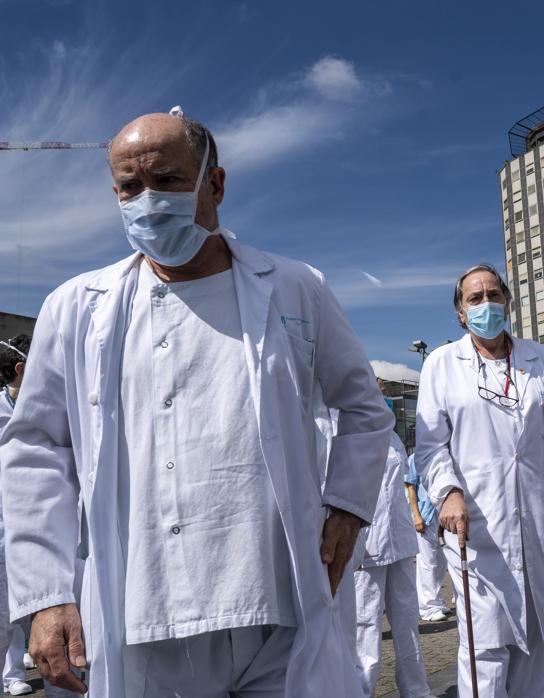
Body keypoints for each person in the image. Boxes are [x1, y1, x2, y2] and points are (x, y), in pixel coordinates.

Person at [0, 110, 394, 697]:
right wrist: (46, 595)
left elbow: (364, 409)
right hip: (146, 620)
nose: (147, 200)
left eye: (167, 180)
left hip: (278, 612)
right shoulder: (76, 307)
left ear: (216, 184)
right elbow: (37, 448)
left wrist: (347, 507)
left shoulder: (294, 287)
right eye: (130, 187)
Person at [414, 263, 544, 698]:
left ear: (507, 301)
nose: (486, 304)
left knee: (535, 640)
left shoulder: (538, 358)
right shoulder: (442, 364)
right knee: (485, 646)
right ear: (460, 313)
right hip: (476, 526)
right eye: (475, 298)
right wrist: (448, 492)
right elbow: (431, 445)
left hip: (536, 520)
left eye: (493, 294)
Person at [354, 383, 433, 698]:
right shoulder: (344, 433)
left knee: (407, 623)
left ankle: (416, 689)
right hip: (365, 543)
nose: (383, 402)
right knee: (365, 626)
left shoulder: (395, 438)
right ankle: (361, 691)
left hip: (399, 540)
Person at [0, 335, 35, 697]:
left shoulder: (51, 405)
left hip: (41, 524)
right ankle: (10, 675)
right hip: (4, 526)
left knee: (40, 607)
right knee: (4, 611)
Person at [404, 455, 452, 623]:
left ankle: (436, 601)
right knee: (427, 563)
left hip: (443, 516)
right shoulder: (415, 459)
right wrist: (416, 516)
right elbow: (411, 489)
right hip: (426, 516)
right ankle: (428, 607)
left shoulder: (445, 456)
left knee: (441, 562)